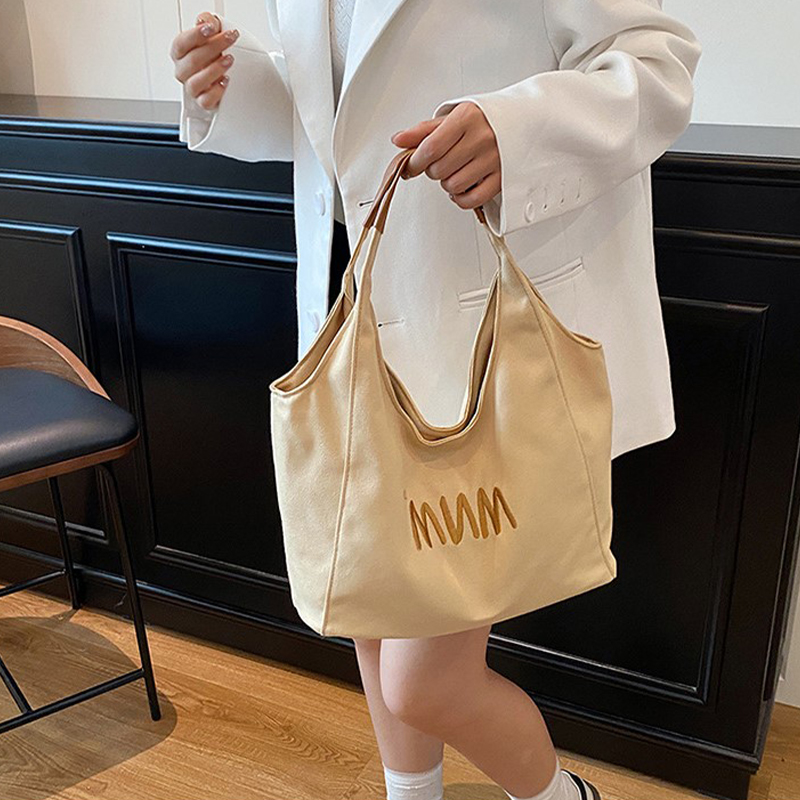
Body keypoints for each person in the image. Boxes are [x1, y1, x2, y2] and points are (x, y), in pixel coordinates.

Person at [170, 4, 702, 799]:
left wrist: (515, 132)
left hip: (484, 332)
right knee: (369, 604)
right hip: (358, 313)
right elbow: (340, 116)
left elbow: (655, 64)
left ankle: (565, 797)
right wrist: (228, 86)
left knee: (424, 681)